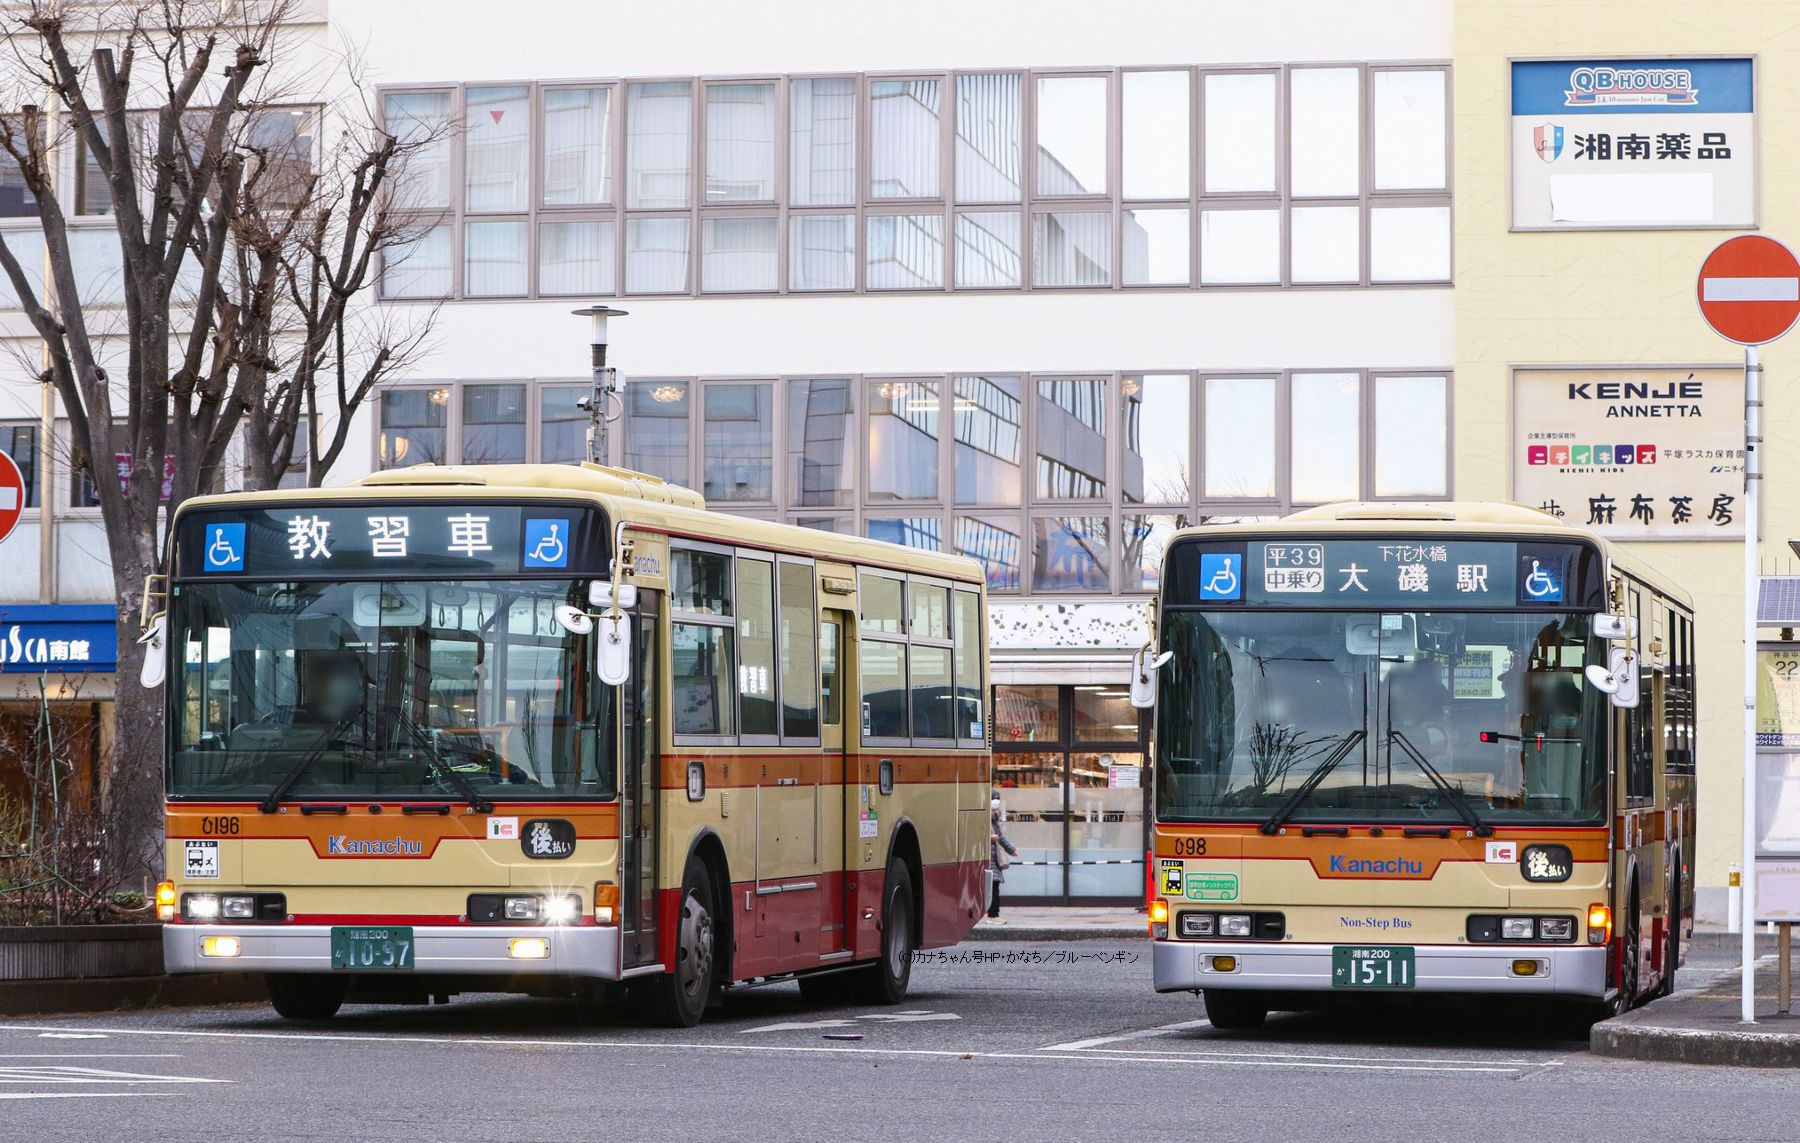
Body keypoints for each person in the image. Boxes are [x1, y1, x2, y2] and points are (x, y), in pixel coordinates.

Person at [987, 793, 1018, 922]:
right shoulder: (983, 818)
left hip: (993, 858)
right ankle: (993, 915)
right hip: (986, 858)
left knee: (994, 885)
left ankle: (993, 914)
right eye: (994, 800)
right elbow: (974, 835)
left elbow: (1000, 837)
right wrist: (988, 838)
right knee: (993, 886)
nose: (996, 804)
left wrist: (1011, 849)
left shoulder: (993, 819)